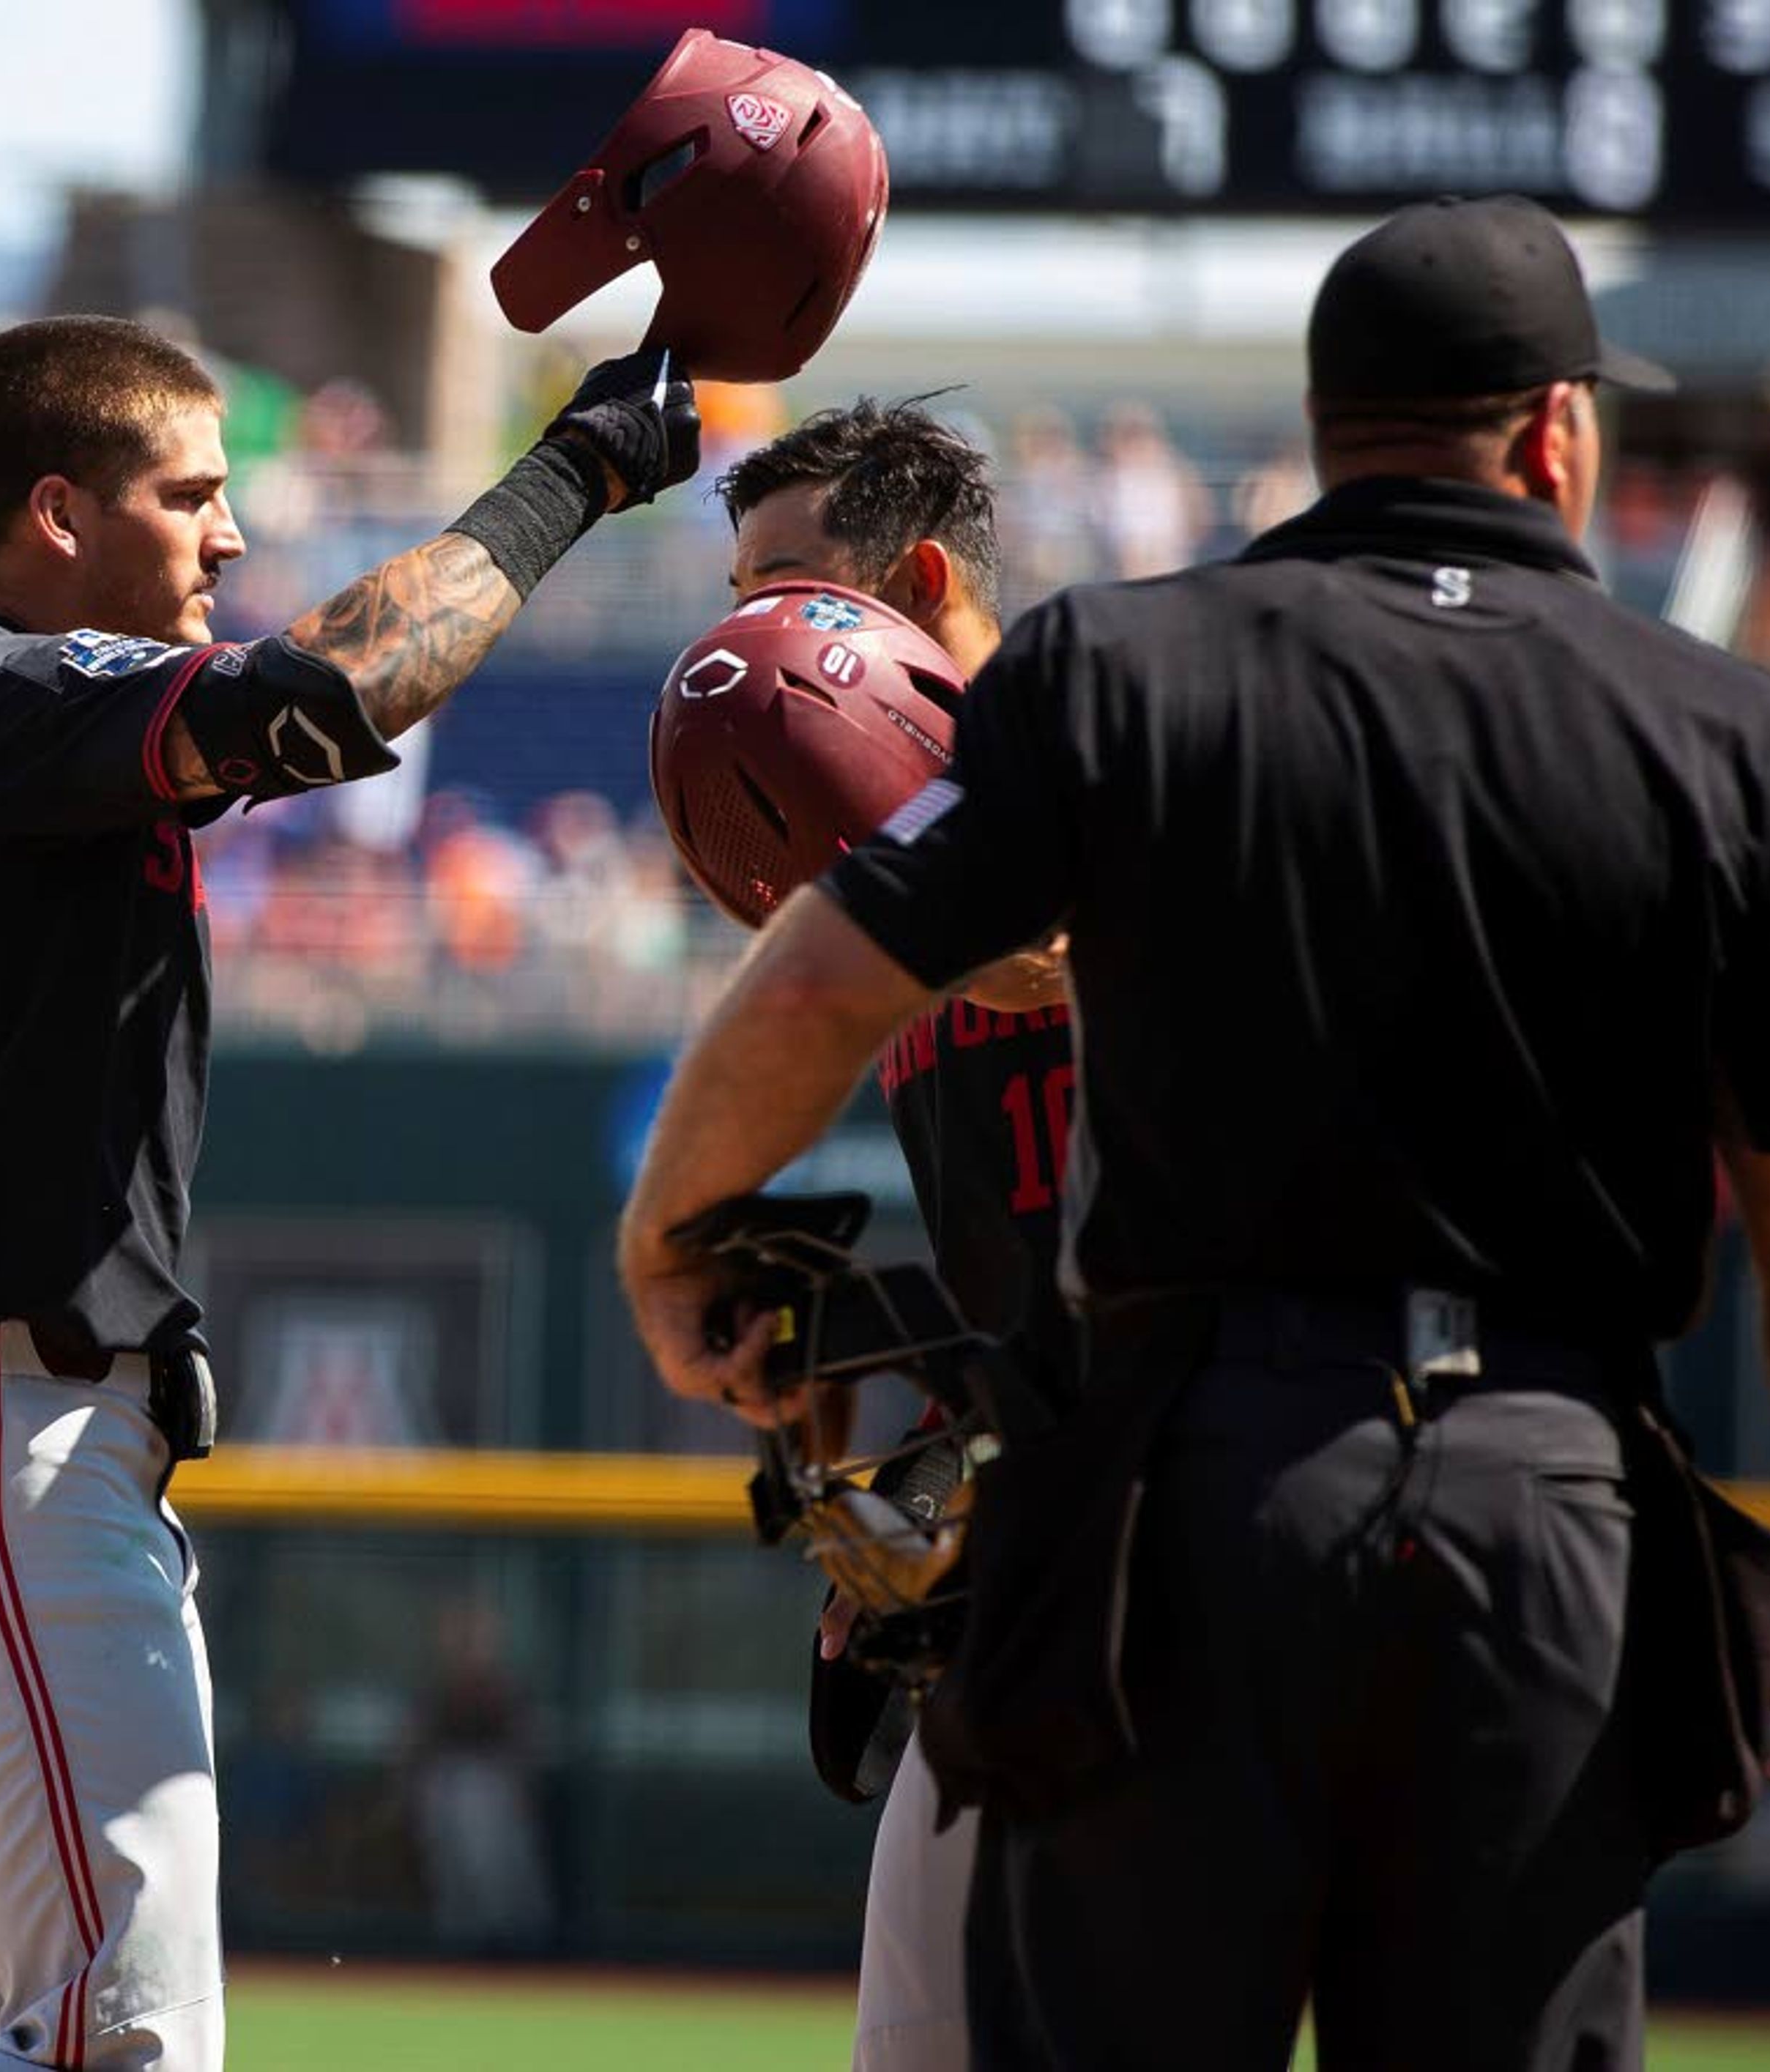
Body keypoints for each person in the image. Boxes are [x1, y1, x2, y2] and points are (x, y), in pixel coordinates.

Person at [617, 196, 1770, 2070]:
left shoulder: (1116, 684)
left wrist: (667, 1245)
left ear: (1327, 426)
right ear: (1559, 431)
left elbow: (827, 987)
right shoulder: (1729, 736)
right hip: (1536, 1493)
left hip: (1190, 1499)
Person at [0, 313, 695, 2071]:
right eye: (191, 492)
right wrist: (573, 474)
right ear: (57, 514)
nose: (233, 534)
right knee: (111, 2047)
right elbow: (335, 694)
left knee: (103, 2037)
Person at [710, 397, 1066, 2072]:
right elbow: (1019, 1292)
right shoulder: (885, 890)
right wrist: (925, 1484)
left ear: (917, 580)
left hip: (1229, 1523)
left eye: (786, 584)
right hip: (1039, 1540)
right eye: (732, 594)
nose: (746, 637)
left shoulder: (1114, 745)